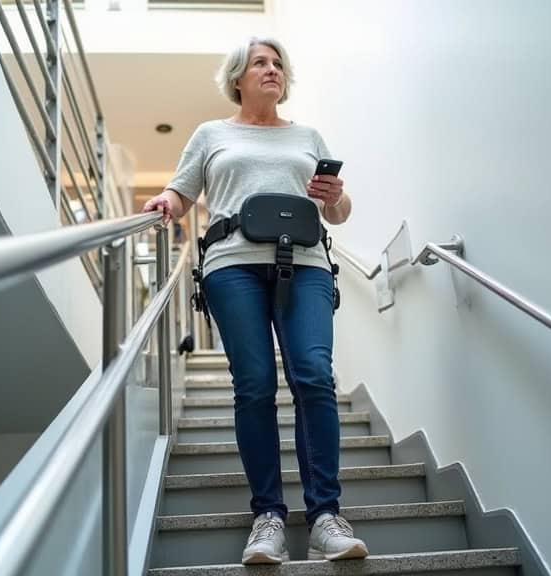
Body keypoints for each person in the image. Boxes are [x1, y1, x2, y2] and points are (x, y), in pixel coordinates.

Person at [142, 37, 365, 565]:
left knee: (314, 374)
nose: (272, 70)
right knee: (254, 384)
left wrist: (337, 198)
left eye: (278, 64)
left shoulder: (307, 136)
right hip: (232, 265)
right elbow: (181, 191)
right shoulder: (211, 134)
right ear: (237, 78)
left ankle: (325, 518)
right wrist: (164, 202)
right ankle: (268, 517)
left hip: (306, 264)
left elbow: (338, 212)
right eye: (260, 63)